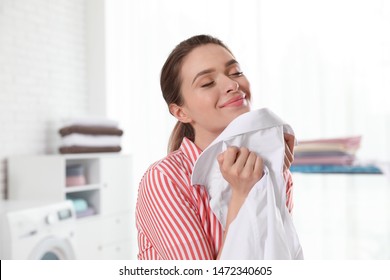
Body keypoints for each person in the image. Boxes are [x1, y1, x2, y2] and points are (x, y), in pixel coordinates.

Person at [135, 34, 295, 260]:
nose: (233, 84)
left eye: (236, 72)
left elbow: (280, 254)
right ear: (181, 112)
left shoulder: (268, 166)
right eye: (207, 83)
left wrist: (276, 177)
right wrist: (242, 194)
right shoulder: (164, 179)